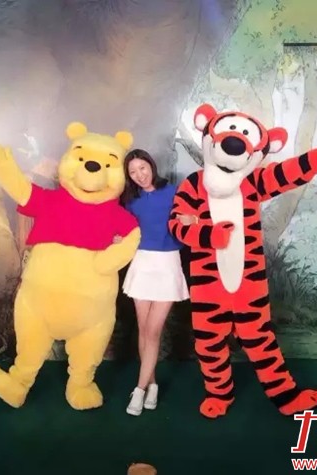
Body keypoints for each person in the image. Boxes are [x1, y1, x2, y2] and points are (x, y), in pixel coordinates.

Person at [117, 148, 195, 416]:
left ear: (151, 165)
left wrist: (194, 219)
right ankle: (151, 386)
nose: (139, 175)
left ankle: (138, 390)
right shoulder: (130, 200)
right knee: (143, 330)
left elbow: (199, 215)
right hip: (142, 264)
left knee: (153, 331)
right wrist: (119, 237)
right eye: (133, 172)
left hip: (168, 265)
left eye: (142, 168)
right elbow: (124, 228)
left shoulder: (174, 192)